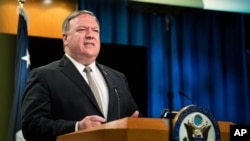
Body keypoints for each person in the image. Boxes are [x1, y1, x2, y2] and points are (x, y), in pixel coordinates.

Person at [21, 10, 141, 141]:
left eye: (95, 30)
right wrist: (76, 127)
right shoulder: (44, 76)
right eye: (82, 29)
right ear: (65, 38)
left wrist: (136, 124)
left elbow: (133, 116)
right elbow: (31, 126)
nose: (90, 35)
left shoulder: (118, 78)